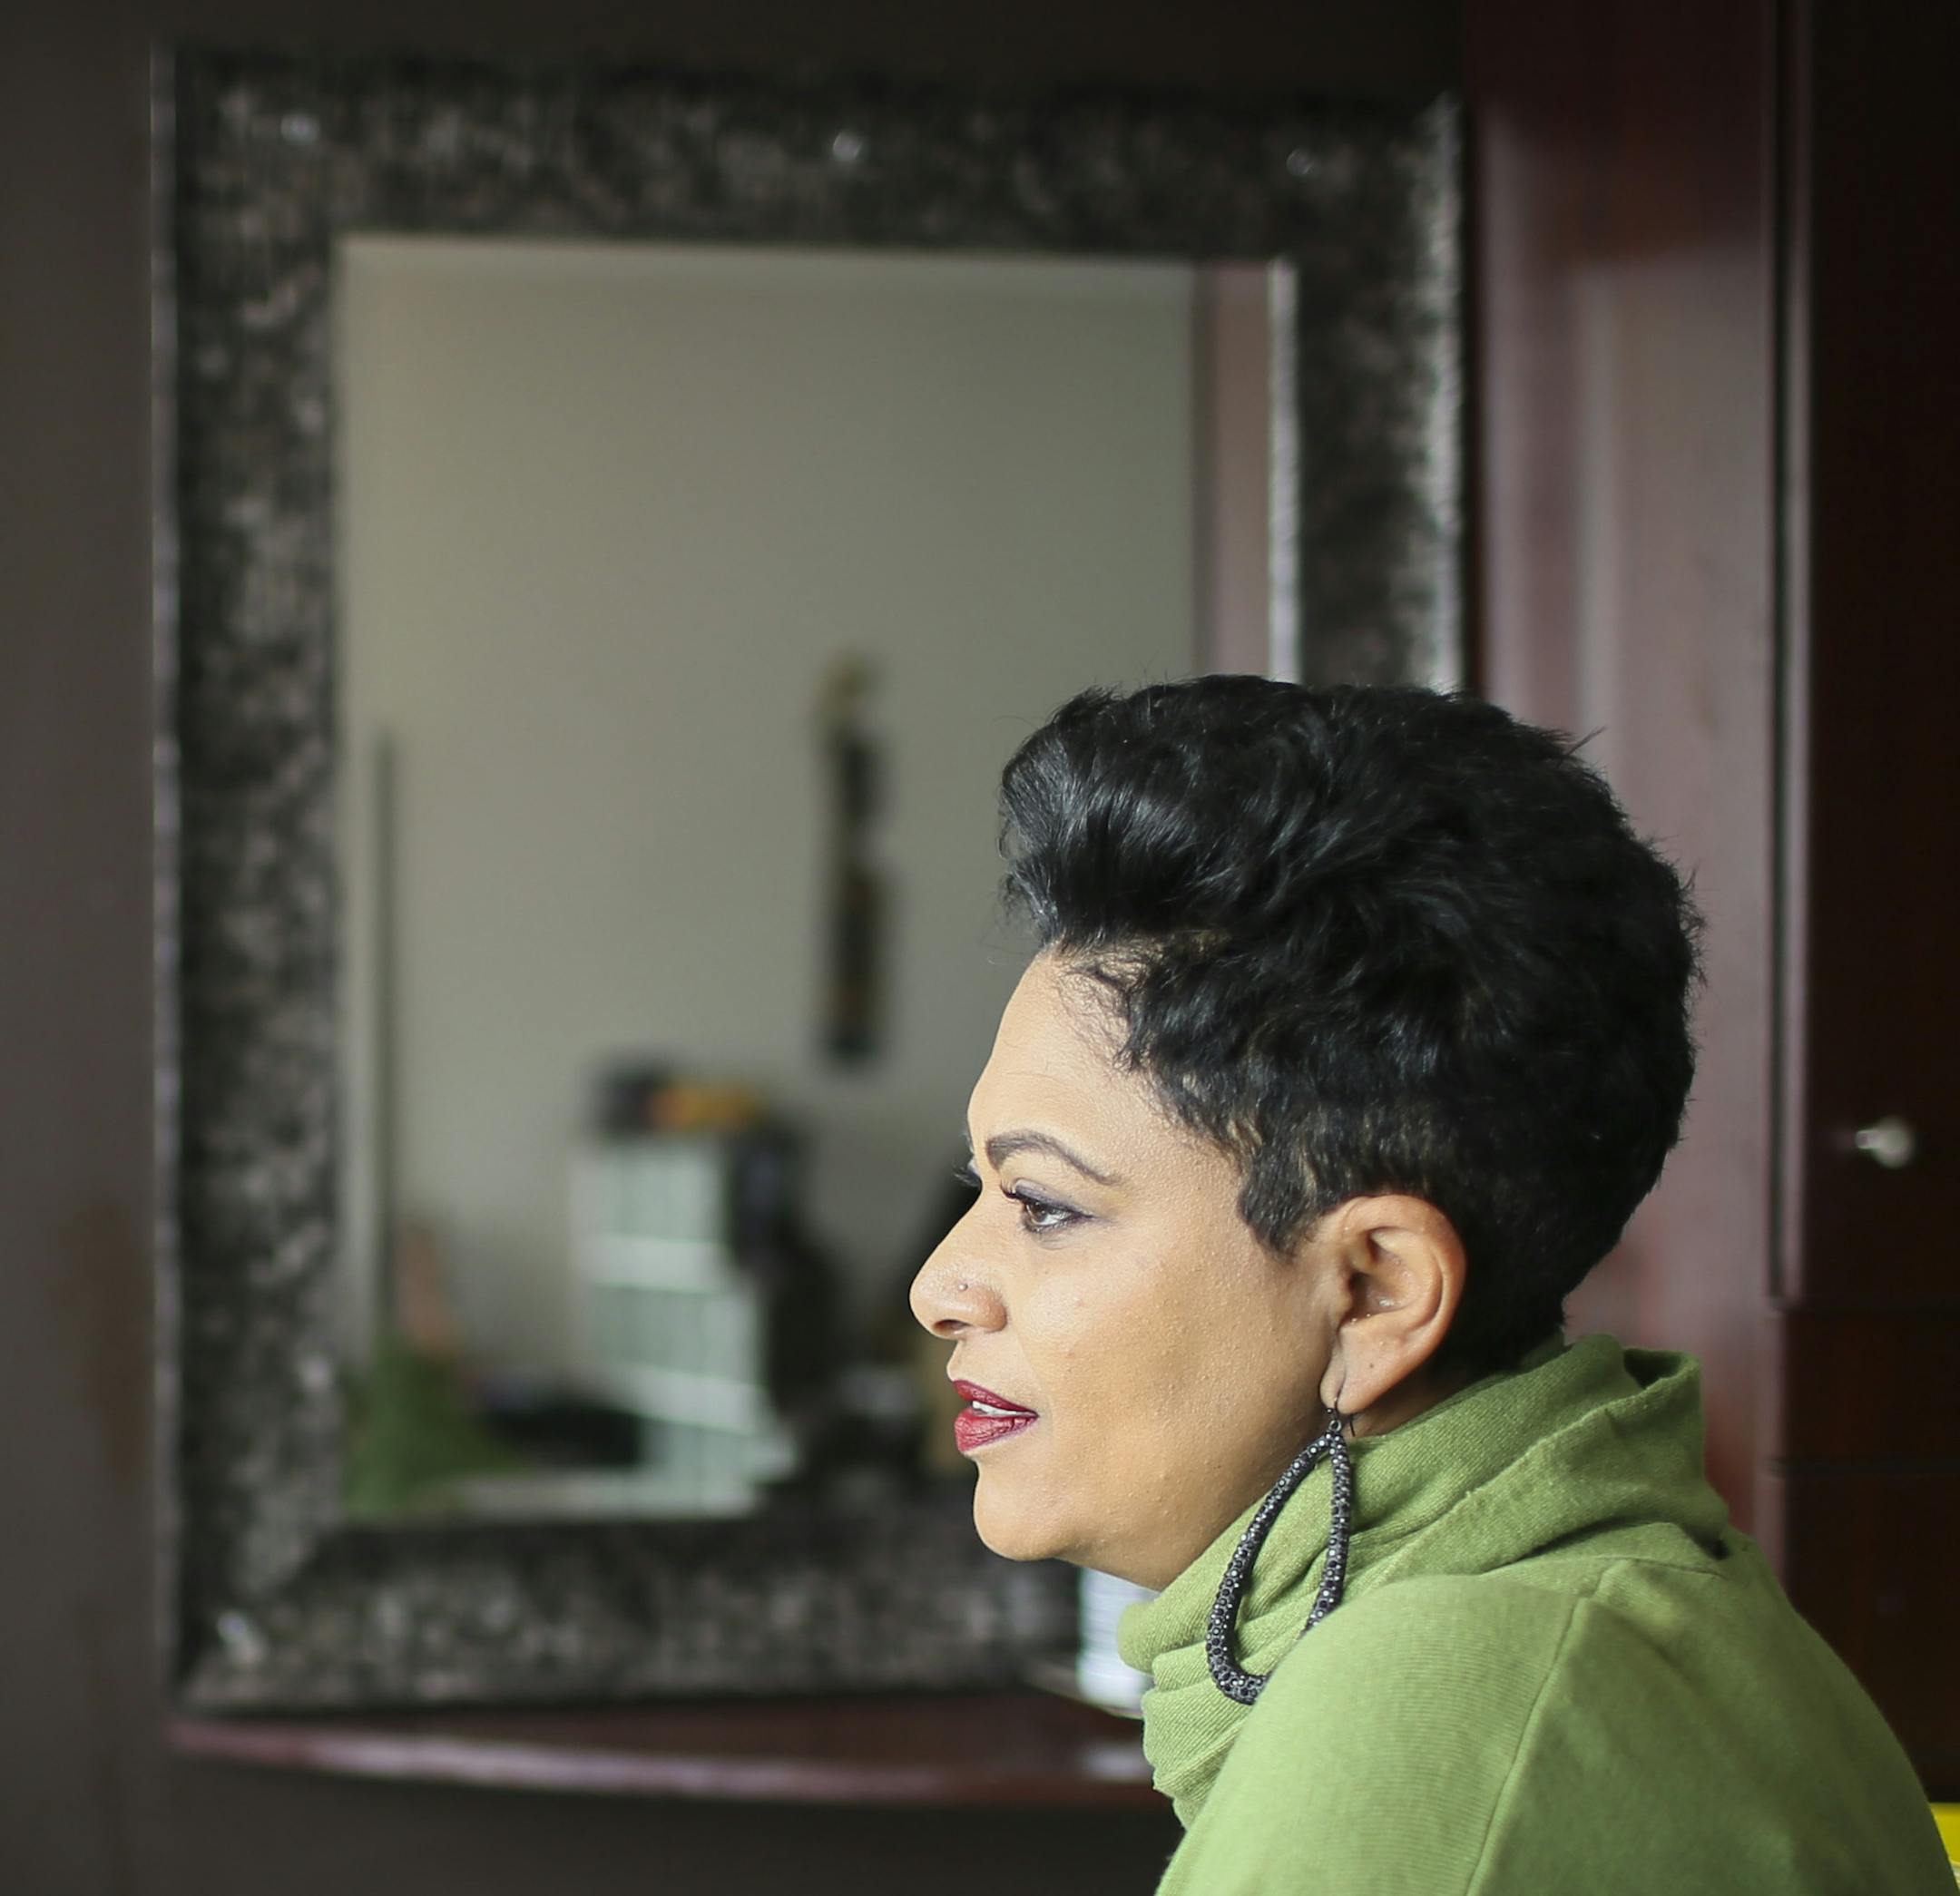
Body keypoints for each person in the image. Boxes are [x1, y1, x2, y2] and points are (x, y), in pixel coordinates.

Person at [909, 678, 1952, 1894]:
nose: (942, 1284)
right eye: (975, 1188)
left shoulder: (1445, 1692)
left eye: (1045, 1205)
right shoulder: (1587, 1610)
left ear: (1375, 1292)